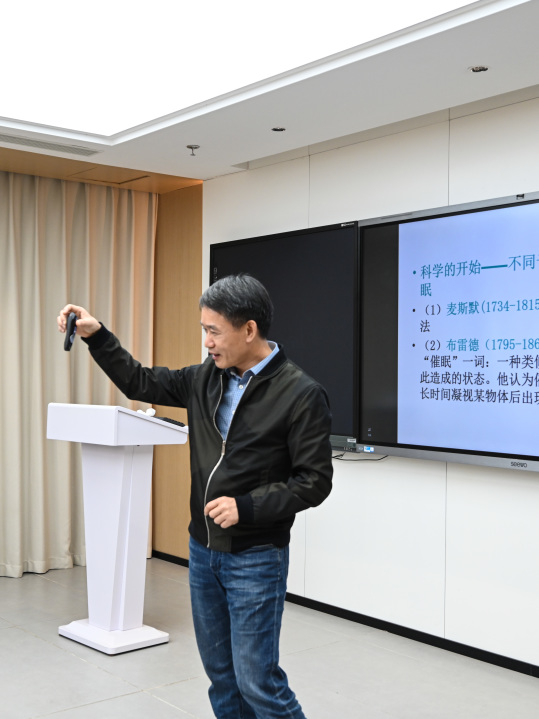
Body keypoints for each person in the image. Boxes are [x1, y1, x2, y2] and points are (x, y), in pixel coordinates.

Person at [57, 273, 333, 719]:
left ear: (249, 329)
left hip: (255, 556)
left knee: (257, 681)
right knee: (221, 678)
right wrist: (97, 336)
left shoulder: (301, 393)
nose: (207, 342)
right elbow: (141, 382)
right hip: (203, 552)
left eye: (214, 331)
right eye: (204, 330)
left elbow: (314, 481)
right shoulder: (206, 378)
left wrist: (247, 506)